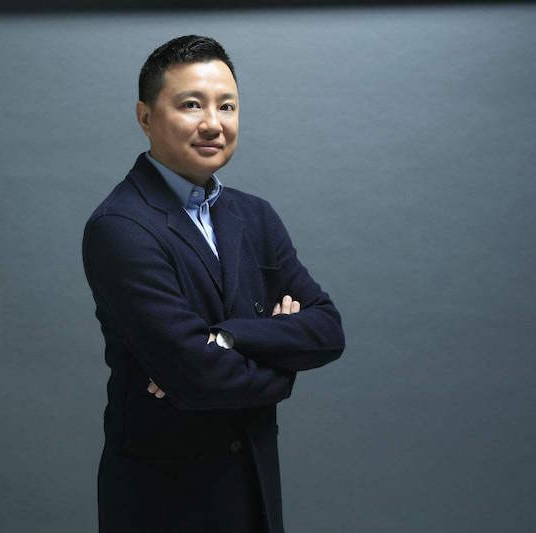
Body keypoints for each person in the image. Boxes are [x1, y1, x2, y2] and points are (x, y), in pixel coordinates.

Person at [82, 34, 345, 533]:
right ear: (145, 118)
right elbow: (196, 377)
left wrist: (226, 338)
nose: (213, 123)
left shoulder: (255, 216)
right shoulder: (121, 227)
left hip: (254, 492)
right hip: (164, 504)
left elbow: (328, 330)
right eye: (191, 105)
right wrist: (283, 357)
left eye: (227, 106)